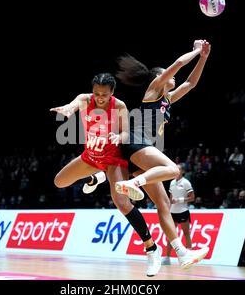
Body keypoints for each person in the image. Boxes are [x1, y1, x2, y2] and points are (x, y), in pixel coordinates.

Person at [84, 40, 211, 268]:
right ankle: (133, 182)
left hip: (143, 149)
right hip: (135, 141)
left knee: (163, 204)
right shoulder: (154, 89)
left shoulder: (168, 99)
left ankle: (182, 254)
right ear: (161, 77)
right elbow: (179, 63)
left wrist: (203, 58)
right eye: (168, 75)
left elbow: (190, 83)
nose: (174, 79)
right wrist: (196, 50)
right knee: (173, 170)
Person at [51, 73, 163, 276]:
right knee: (59, 182)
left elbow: (126, 133)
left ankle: (152, 248)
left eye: (104, 94)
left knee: (122, 203)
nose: (99, 97)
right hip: (90, 157)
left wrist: (118, 136)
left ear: (112, 92)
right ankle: (96, 176)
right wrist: (68, 109)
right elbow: (73, 104)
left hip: (113, 160)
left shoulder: (118, 106)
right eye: (96, 93)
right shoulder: (85, 99)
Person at [162, 164, 195, 265]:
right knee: (171, 235)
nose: (176, 170)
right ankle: (167, 258)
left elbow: (192, 197)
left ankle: (190, 256)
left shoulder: (186, 183)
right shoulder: (172, 182)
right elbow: (171, 198)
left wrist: (180, 200)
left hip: (183, 211)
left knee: (186, 234)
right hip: (173, 212)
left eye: (178, 169)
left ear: (183, 171)